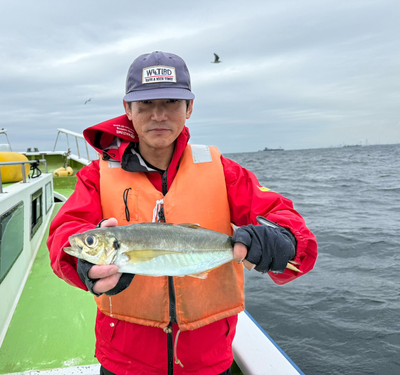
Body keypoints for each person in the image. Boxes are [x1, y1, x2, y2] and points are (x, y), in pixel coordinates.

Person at [47, 51, 318, 375]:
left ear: (189, 107)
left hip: (207, 358)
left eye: (171, 102)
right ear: (127, 109)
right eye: (145, 104)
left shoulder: (224, 172)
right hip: (124, 359)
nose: (158, 115)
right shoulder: (96, 175)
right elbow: (66, 230)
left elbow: (281, 215)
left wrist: (282, 239)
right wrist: (81, 265)